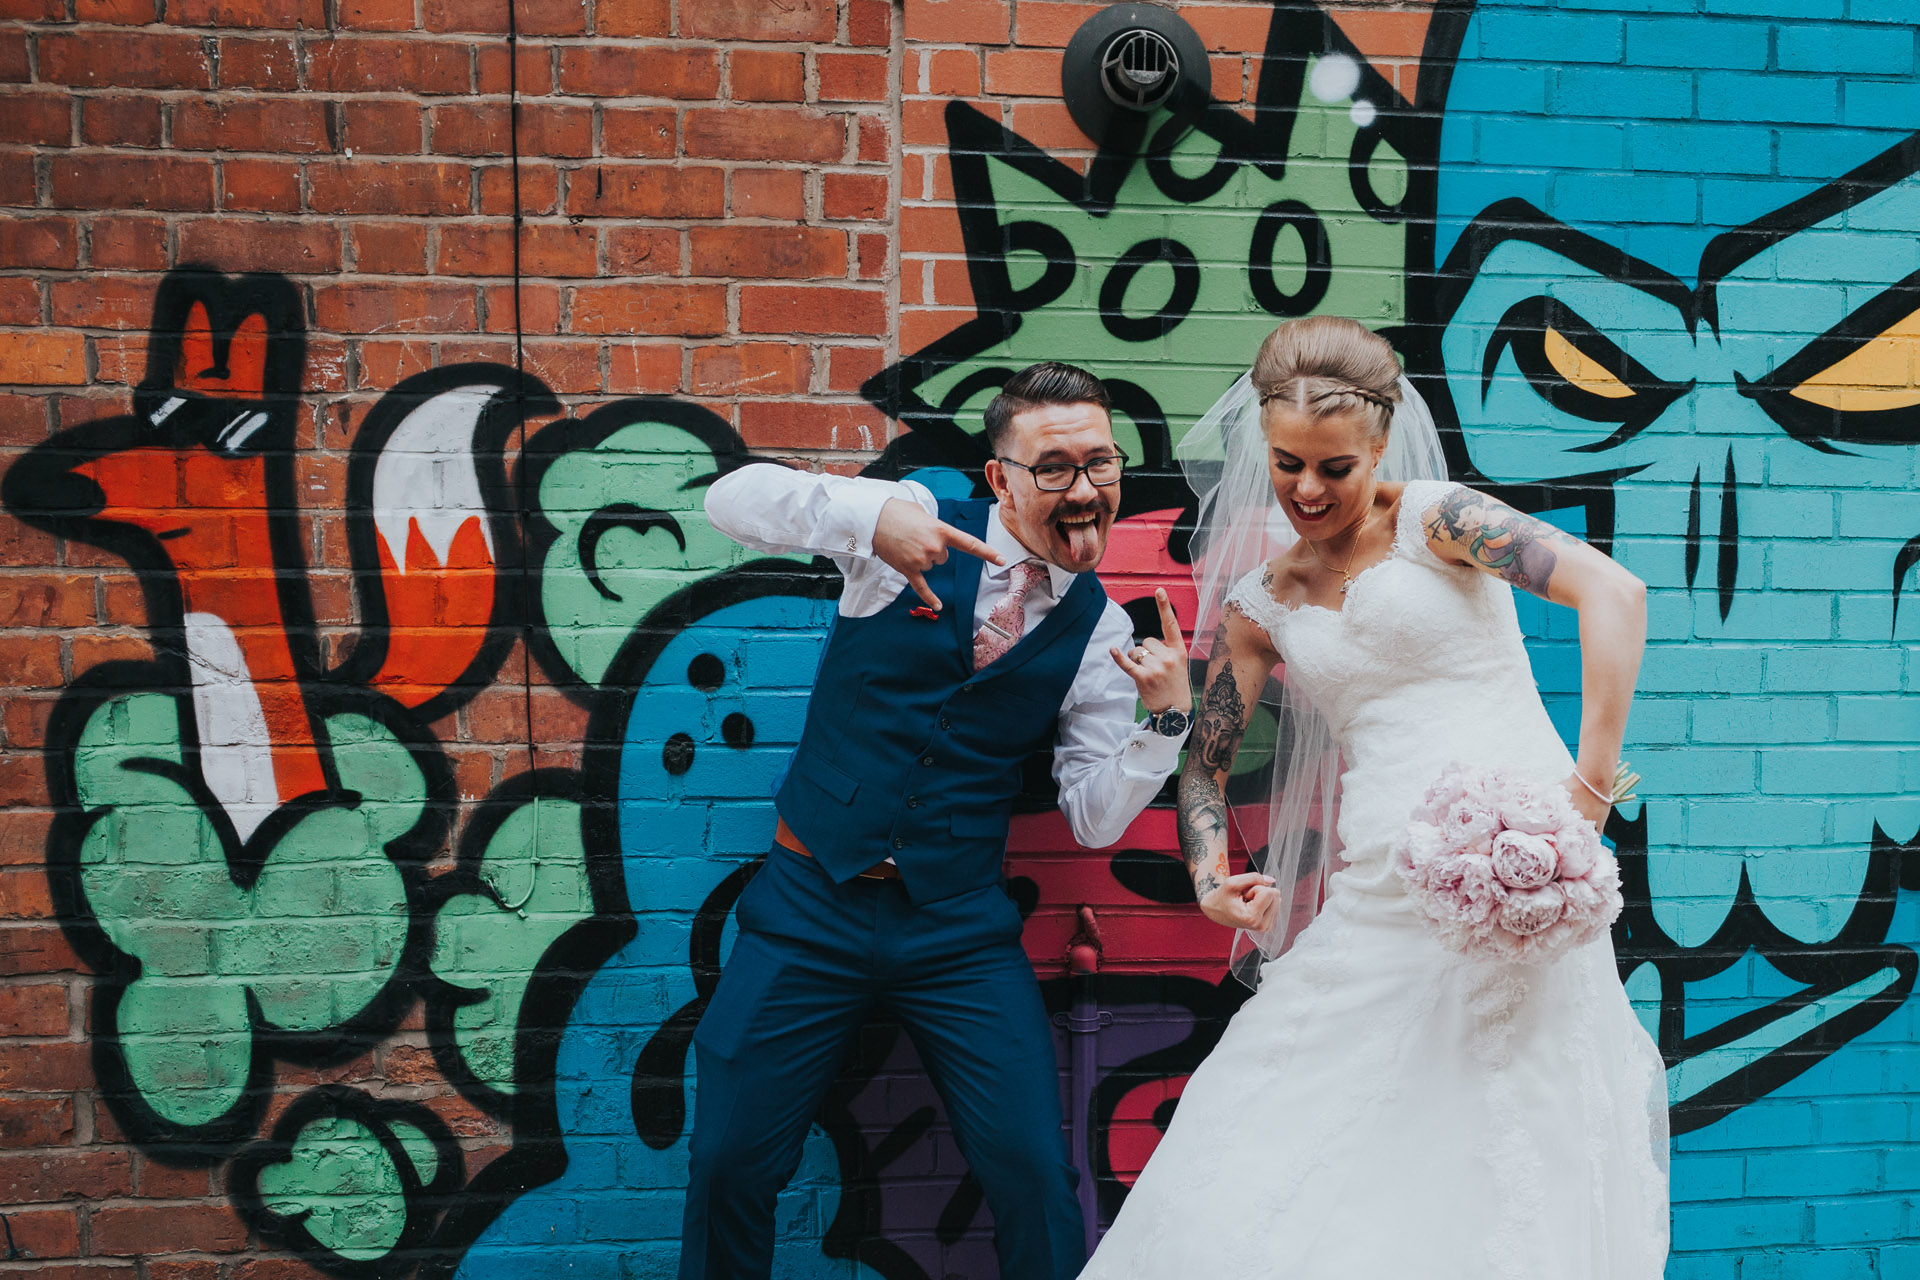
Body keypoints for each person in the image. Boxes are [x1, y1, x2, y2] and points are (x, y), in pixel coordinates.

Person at [1081, 317, 1669, 1279]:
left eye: (1334, 468)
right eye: (1286, 464)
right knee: (1268, 1121)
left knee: (1503, 1138)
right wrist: (1208, 874)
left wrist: (1588, 792)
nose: (1306, 491)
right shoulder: (1260, 602)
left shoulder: (1440, 521)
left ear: (1380, 446)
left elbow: (1617, 595)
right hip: (1375, 901)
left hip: (1513, 884)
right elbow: (1206, 762)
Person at [681, 361, 1195, 1280]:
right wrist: (865, 515)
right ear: (999, 478)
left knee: (1036, 1172)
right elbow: (732, 496)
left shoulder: (1104, 632)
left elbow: (1087, 818)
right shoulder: (906, 522)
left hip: (956, 929)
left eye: (1101, 465)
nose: (1085, 492)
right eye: (1055, 469)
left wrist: (1164, 726)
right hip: (808, 906)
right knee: (728, 1161)